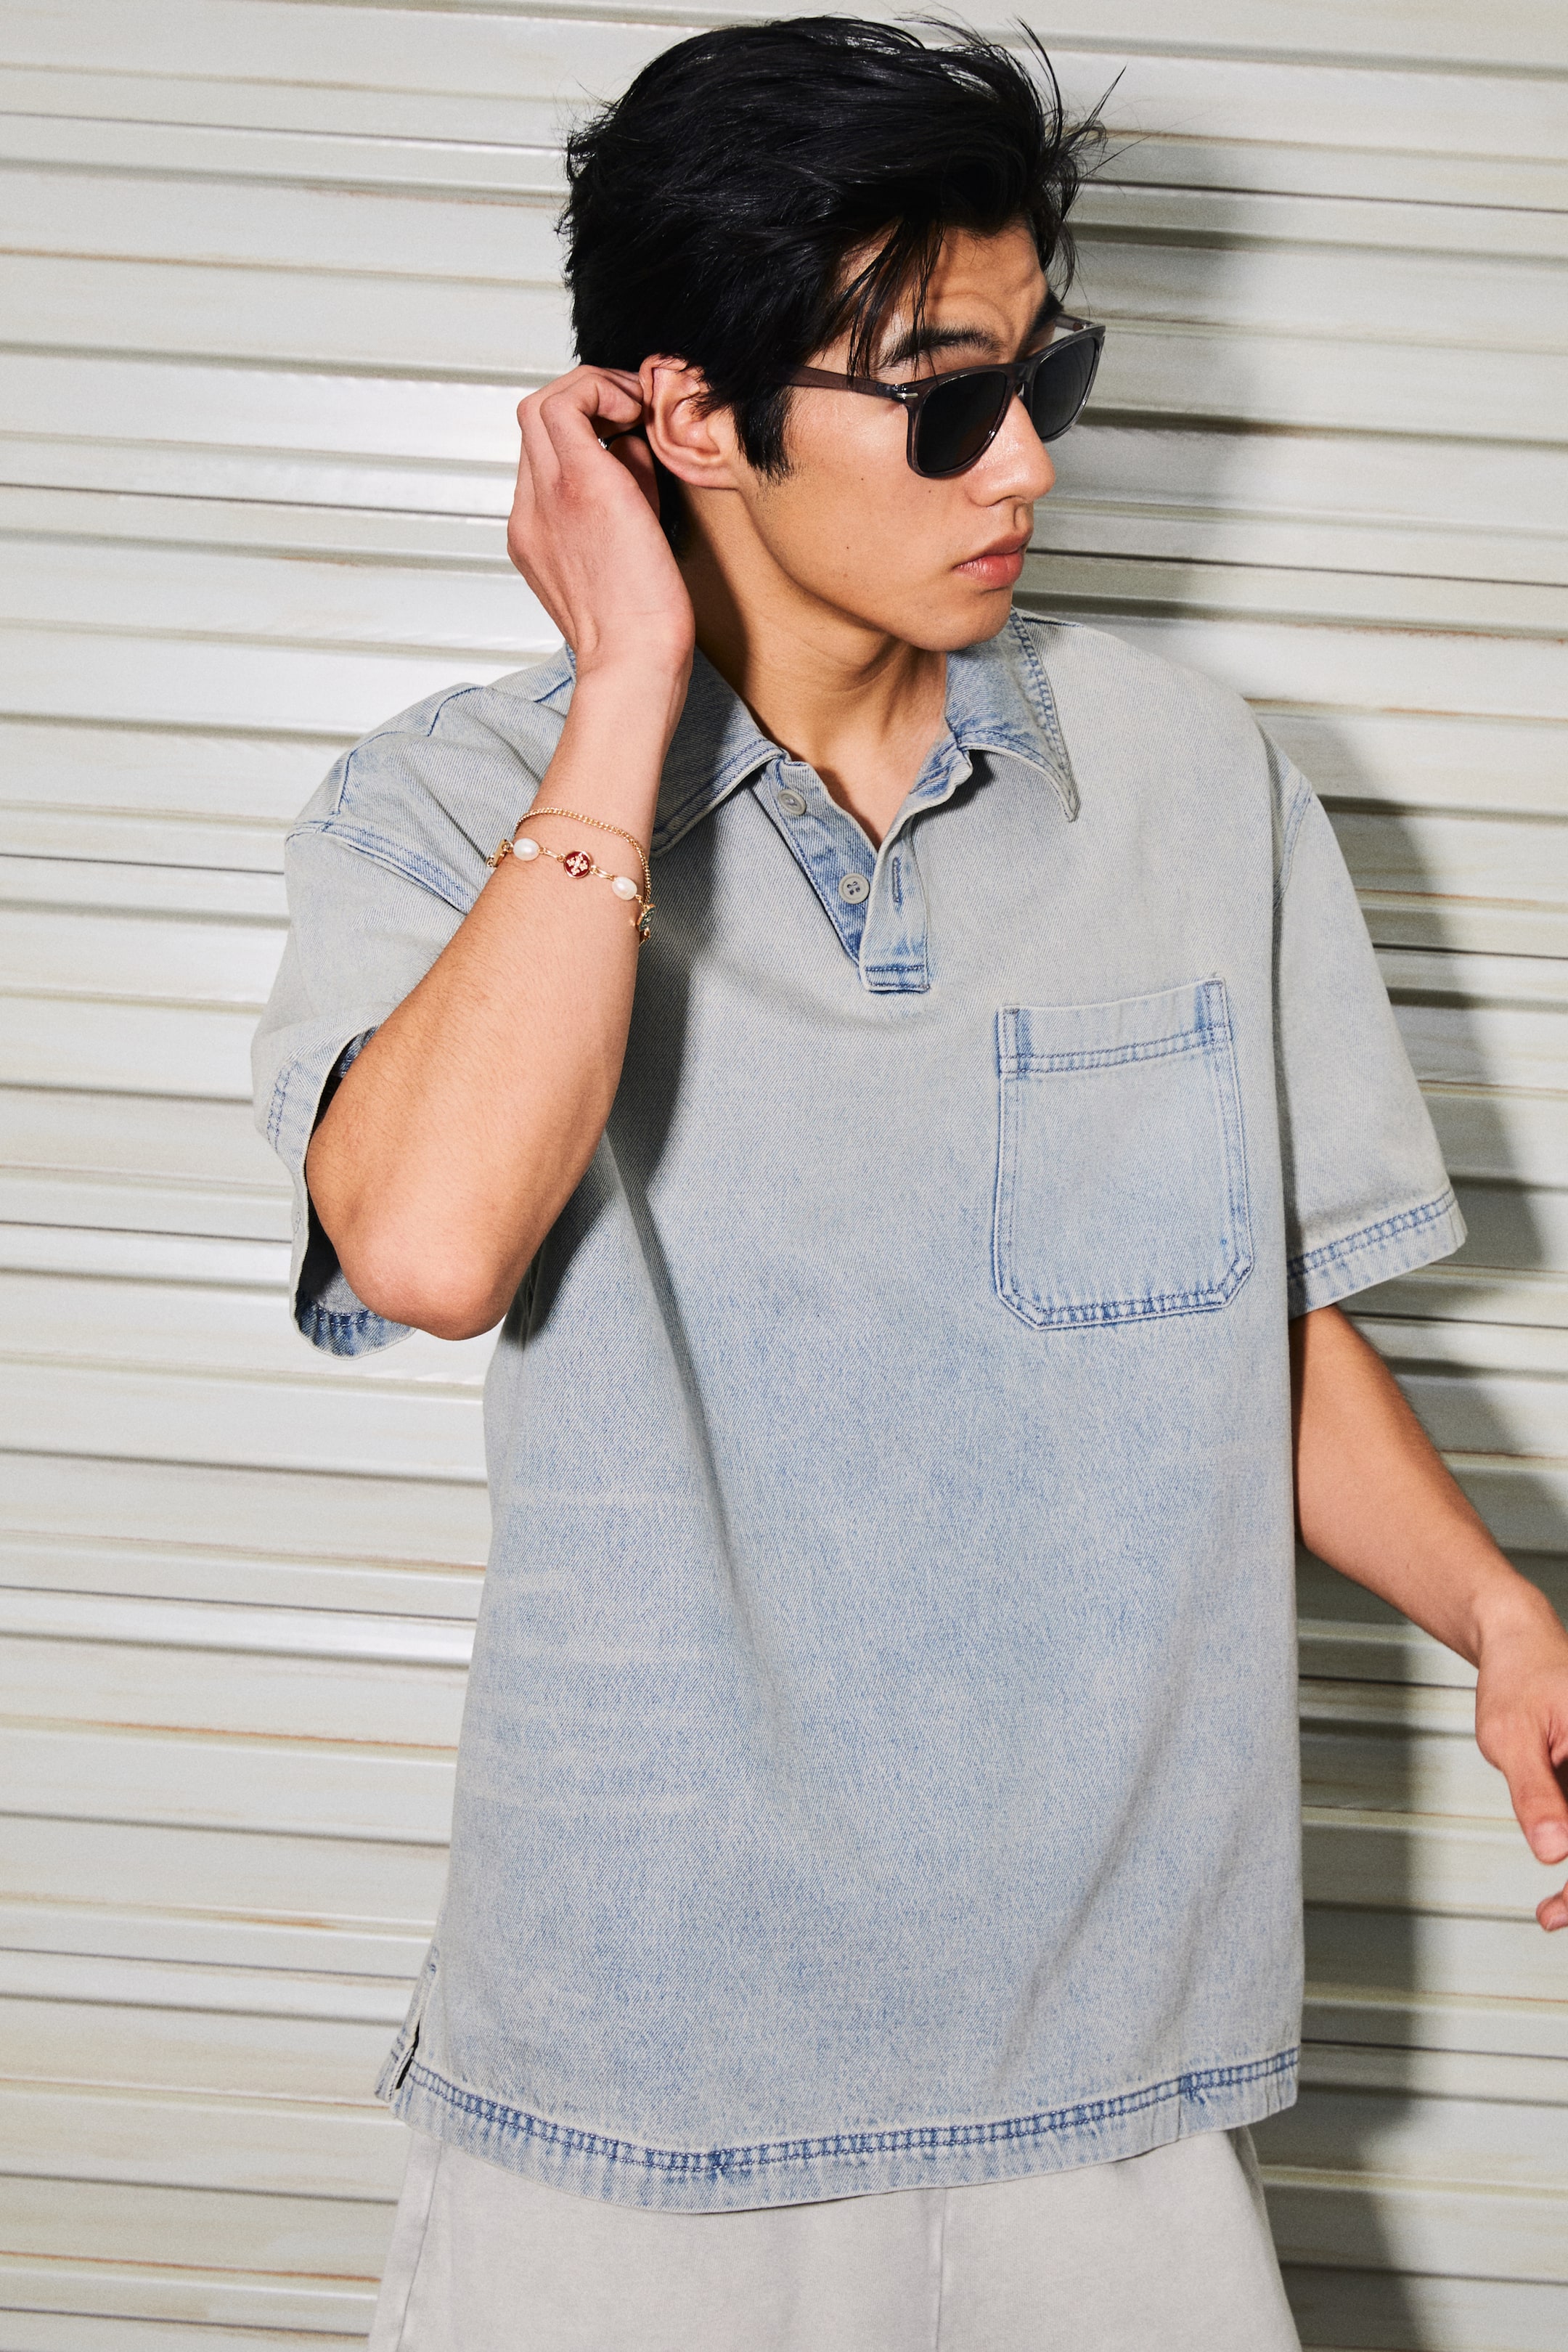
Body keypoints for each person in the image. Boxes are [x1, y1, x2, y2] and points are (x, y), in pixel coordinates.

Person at [251, 18, 1568, 2348]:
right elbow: (433, 1248)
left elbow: (1233, 1323)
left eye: (1045, 373)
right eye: (948, 400)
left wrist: (1499, 1612)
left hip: (1112, 2085)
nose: (1028, 459)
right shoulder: (443, 814)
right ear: (687, 415)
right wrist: (628, 688)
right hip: (639, 2086)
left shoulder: (1191, 781)